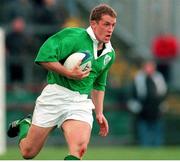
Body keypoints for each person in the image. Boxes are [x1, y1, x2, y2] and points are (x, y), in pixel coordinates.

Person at [7, 3, 117, 160]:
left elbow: (99, 84)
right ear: (93, 23)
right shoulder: (73, 37)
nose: (110, 29)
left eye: (113, 25)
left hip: (80, 102)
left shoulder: (110, 54)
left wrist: (99, 113)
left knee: (79, 148)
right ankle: (25, 123)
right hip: (55, 95)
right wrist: (68, 73)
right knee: (28, 152)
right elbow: (44, 56)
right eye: (106, 24)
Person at [127, 60, 167, 146]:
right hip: (143, 108)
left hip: (156, 108)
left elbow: (163, 92)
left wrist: (162, 105)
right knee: (143, 129)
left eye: (151, 67)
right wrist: (136, 106)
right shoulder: (139, 77)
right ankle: (145, 146)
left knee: (157, 129)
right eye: (147, 67)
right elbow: (135, 93)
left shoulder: (158, 77)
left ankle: (157, 147)